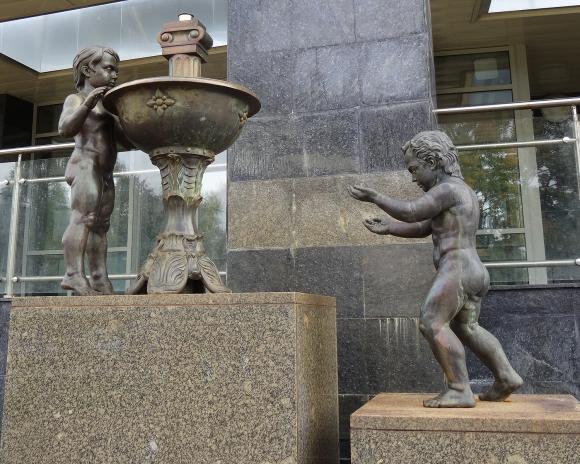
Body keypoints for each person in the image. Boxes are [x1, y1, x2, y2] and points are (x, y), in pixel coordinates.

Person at [348, 130, 522, 408]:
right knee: (468, 328)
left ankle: (459, 388)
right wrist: (389, 228)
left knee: (431, 322)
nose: (413, 177)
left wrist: (375, 196)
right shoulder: (461, 193)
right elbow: (422, 227)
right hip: (474, 271)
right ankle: (506, 376)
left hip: (458, 268)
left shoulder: (448, 189)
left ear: (432, 161)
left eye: (414, 169)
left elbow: (411, 211)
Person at [59, 46, 130, 295]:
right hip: (84, 165)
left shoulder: (109, 106)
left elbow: (126, 140)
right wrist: (88, 104)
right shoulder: (76, 99)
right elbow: (65, 128)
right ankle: (73, 274)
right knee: (83, 218)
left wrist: (128, 118)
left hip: (105, 172)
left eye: (116, 70)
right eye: (109, 68)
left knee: (100, 224)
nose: (114, 74)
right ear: (88, 70)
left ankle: (99, 278)